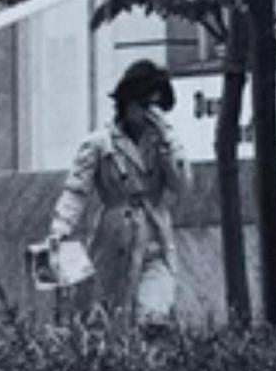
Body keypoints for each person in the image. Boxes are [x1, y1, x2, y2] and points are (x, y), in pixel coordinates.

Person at [48, 59, 189, 328]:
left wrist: (168, 140)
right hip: (114, 237)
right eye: (144, 106)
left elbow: (182, 185)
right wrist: (60, 230)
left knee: (154, 317)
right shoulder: (98, 143)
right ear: (127, 101)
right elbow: (76, 191)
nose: (149, 115)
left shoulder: (163, 142)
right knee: (108, 315)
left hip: (154, 235)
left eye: (157, 108)